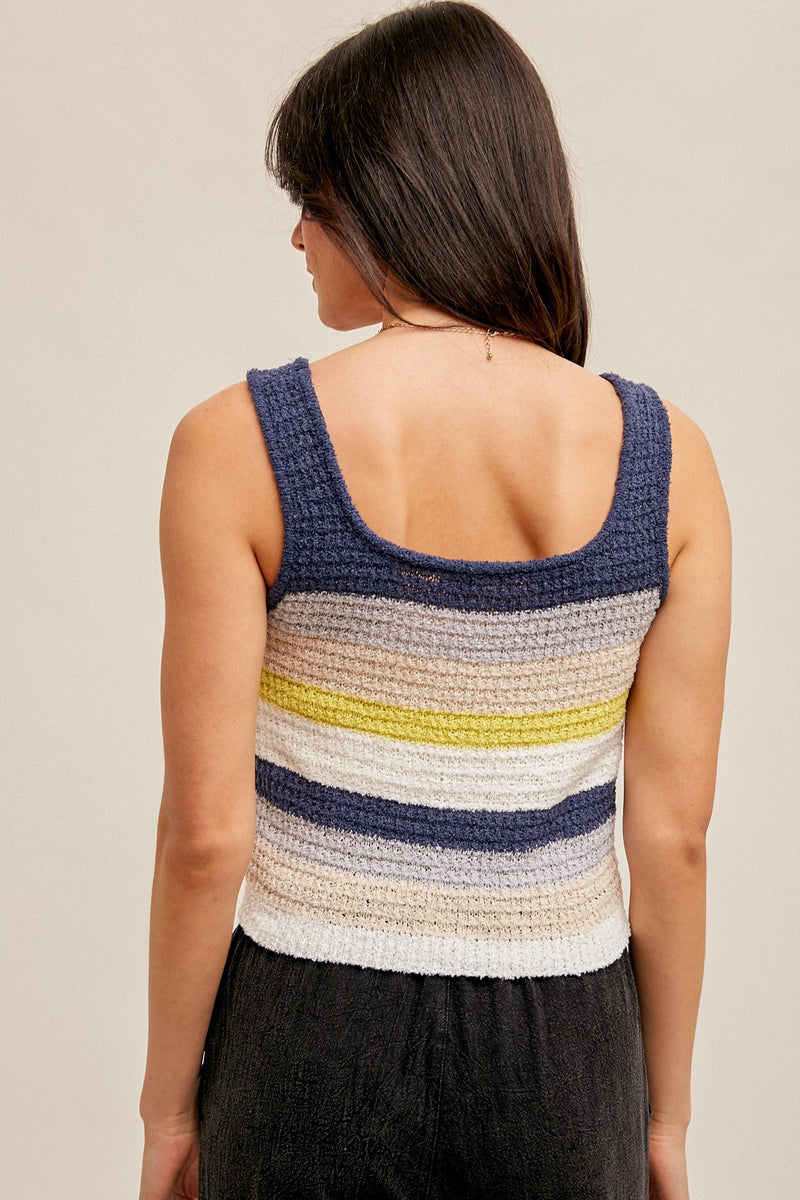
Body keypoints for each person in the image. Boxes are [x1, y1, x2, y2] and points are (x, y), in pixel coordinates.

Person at [137, 3, 731, 1198]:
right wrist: (663, 1117)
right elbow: (670, 838)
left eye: (312, 198)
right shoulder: (667, 462)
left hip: (305, 1027)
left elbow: (205, 838)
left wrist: (165, 1111)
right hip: (567, 1046)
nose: (297, 234)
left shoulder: (238, 444)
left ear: (390, 195)